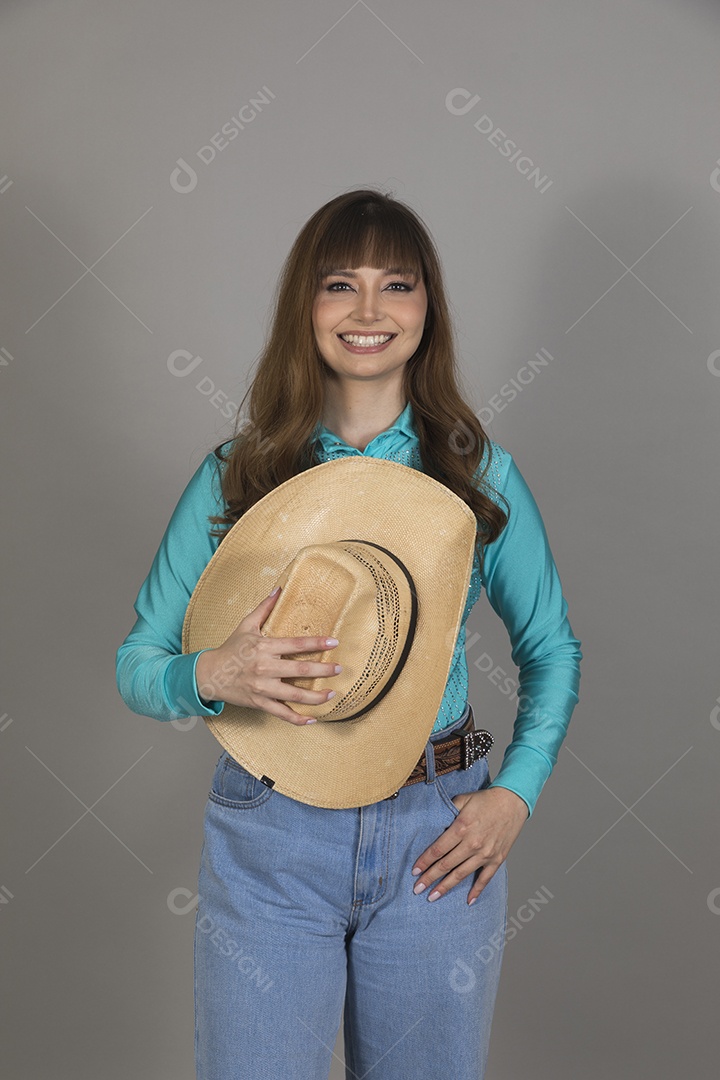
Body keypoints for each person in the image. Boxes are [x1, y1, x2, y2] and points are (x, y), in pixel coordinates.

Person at [116, 187, 582, 1080]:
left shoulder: (478, 475)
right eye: (340, 285)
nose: (368, 311)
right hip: (271, 833)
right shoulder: (237, 475)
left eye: (396, 286)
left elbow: (551, 649)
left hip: (439, 832)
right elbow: (138, 663)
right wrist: (212, 670)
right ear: (307, 307)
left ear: (427, 310)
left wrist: (514, 794)